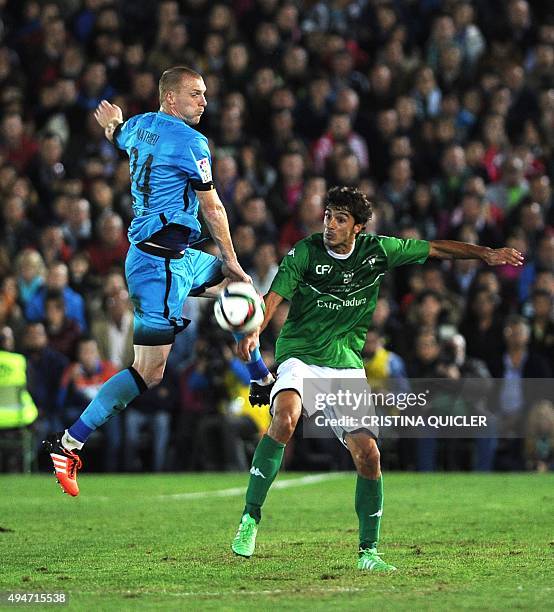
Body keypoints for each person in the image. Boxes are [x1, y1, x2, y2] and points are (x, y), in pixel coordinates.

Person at [230, 186, 523, 571]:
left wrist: (485, 254)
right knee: (284, 418)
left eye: (340, 219)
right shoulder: (305, 252)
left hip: (346, 365)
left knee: (369, 456)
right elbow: (273, 298)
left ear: (358, 228)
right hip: (300, 356)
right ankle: (250, 518)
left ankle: (369, 551)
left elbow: (435, 248)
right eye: (328, 216)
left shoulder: (377, 251)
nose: (330, 225)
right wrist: (255, 330)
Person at [44, 66, 272, 496]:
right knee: (149, 371)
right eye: (195, 95)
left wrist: (111, 124)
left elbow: (119, 136)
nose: (204, 102)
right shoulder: (191, 142)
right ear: (170, 99)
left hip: (175, 258)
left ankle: (260, 378)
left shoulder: (142, 127)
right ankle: (68, 443)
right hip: (158, 269)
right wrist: (232, 257)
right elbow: (214, 208)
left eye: (205, 95)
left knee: (241, 294)